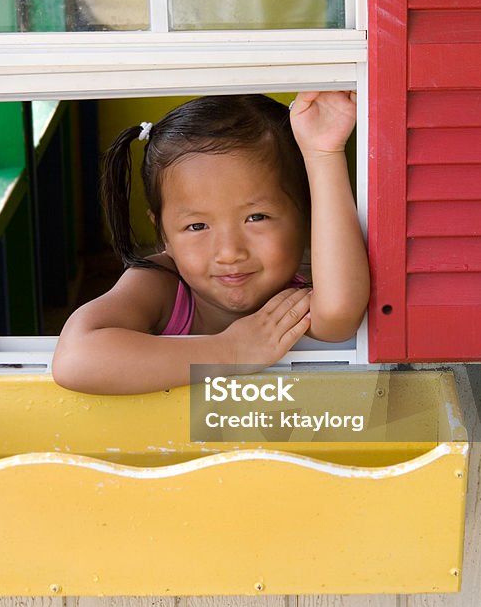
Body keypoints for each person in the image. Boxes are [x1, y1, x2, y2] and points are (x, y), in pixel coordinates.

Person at [52, 91, 369, 394]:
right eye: (197, 226)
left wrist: (323, 154)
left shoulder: (291, 304)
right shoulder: (162, 283)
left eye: (256, 218)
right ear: (164, 235)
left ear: (307, 218)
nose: (230, 252)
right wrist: (231, 352)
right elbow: (74, 359)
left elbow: (340, 316)